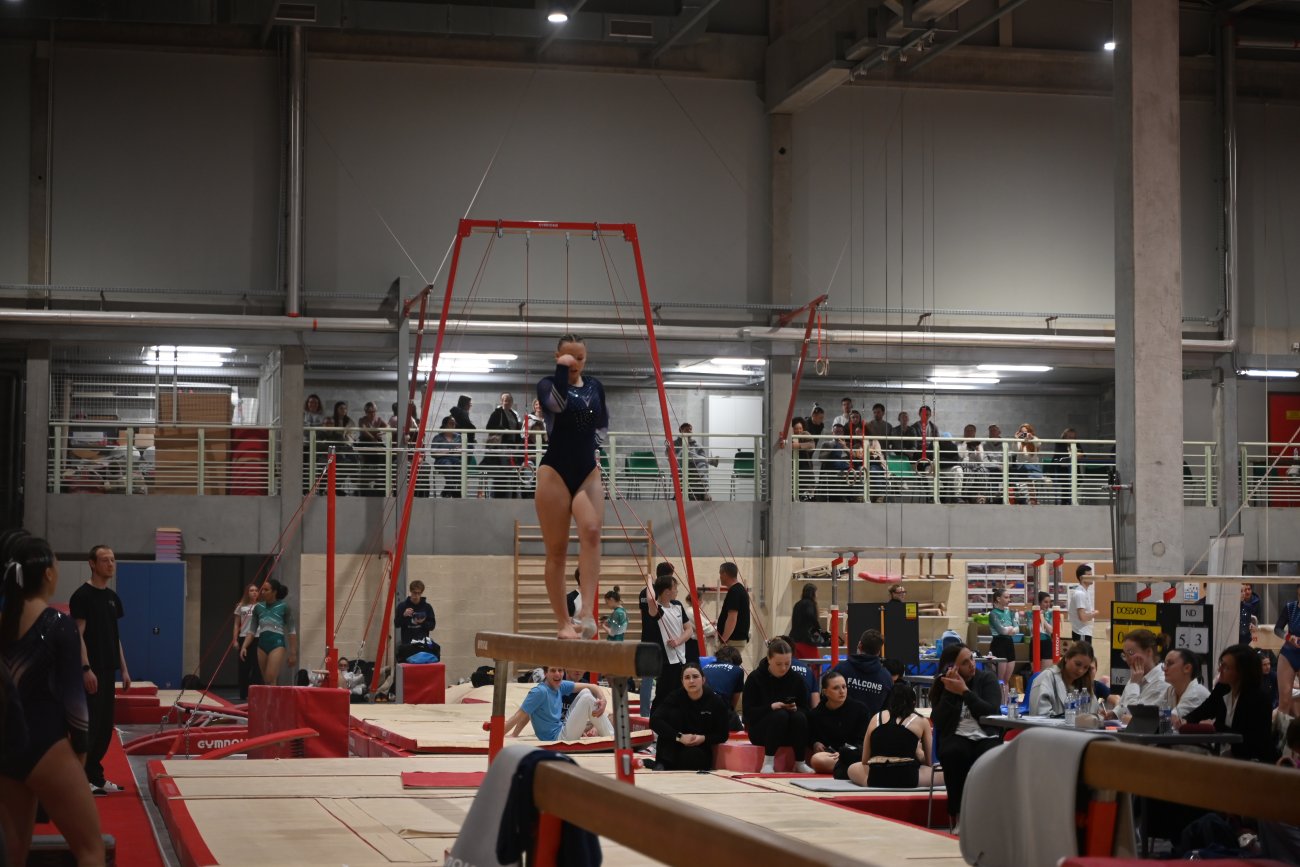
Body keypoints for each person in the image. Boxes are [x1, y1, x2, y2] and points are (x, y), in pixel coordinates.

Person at [1, 536, 106, 867]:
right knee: (90, 850)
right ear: (48, 573)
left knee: (13, 856)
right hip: (48, 748)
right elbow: (76, 702)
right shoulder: (58, 625)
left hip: (6, 750)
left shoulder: (3, 624)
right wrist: (80, 755)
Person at [535, 335, 608, 640]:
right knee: (558, 550)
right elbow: (558, 403)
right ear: (557, 357)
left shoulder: (595, 386)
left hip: (587, 471)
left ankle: (587, 613)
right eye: (568, 357)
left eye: (580, 358)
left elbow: (602, 422)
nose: (575, 363)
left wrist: (597, 449)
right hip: (554, 471)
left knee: (591, 531)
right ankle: (563, 622)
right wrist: (561, 371)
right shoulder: (546, 385)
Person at [69, 544, 130, 796]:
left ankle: (95, 776)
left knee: (105, 727)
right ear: (92, 564)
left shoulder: (112, 598)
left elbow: (115, 637)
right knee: (91, 726)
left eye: (113, 559)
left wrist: (124, 670)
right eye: (105, 560)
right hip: (91, 672)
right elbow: (78, 635)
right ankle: (80, 778)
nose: (110, 564)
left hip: (108, 671)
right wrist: (85, 668)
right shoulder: (82, 596)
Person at [929, 642, 1003, 824]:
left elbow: (990, 712)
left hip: (986, 735)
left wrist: (964, 691)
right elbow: (938, 720)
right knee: (953, 754)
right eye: (965, 662)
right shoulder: (943, 684)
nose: (972, 664)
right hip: (957, 735)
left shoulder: (987, 679)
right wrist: (949, 692)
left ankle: (987, 817)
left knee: (990, 756)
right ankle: (958, 815)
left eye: (971, 658)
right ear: (952, 668)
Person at [1178, 643, 1278, 763]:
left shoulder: (1259, 699)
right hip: (1228, 755)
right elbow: (1204, 710)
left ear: (1242, 672)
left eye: (1226, 667)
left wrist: (1215, 726)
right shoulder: (1223, 688)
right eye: (1221, 665)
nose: (1219, 670)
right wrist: (1185, 720)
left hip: (1254, 762)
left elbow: (1250, 740)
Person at [848, 682, 943, 790]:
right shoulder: (921, 720)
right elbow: (930, 762)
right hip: (908, 777)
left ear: (890, 701)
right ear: (914, 702)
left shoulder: (876, 717)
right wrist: (918, 751)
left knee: (852, 768)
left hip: (876, 776)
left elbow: (865, 760)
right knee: (944, 773)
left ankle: (874, 782)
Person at [742, 638, 814, 774]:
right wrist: (770, 707)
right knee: (780, 715)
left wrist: (796, 709)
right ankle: (768, 762)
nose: (783, 668)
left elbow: (806, 710)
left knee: (799, 717)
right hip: (761, 732)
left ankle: (800, 762)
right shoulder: (755, 678)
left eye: (787, 663)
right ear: (769, 659)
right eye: (778, 664)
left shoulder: (797, 679)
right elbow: (747, 713)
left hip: (789, 733)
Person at [648, 664, 730, 770]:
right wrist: (680, 737)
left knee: (693, 756)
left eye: (695, 676)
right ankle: (662, 763)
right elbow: (654, 721)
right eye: (687, 678)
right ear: (682, 682)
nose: (691, 681)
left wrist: (703, 738)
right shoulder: (674, 697)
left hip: (699, 749)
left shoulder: (715, 701)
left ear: (703, 680)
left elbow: (723, 734)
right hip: (673, 746)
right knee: (671, 716)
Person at [504, 666, 613, 741]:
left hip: (563, 728)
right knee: (587, 698)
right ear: (545, 673)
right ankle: (612, 736)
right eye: (553, 670)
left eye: (560, 670)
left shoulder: (560, 685)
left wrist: (603, 699)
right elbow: (521, 714)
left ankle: (609, 732)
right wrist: (504, 735)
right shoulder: (540, 692)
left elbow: (593, 686)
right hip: (557, 738)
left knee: (586, 692)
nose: (557, 674)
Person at [807, 671, 870, 777]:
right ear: (825, 692)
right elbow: (810, 736)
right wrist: (815, 743)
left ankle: (848, 769)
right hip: (832, 756)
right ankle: (849, 770)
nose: (842, 691)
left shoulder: (860, 710)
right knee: (816, 760)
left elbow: (863, 742)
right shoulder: (816, 714)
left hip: (854, 753)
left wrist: (844, 752)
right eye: (836, 688)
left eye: (844, 687)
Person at [646, 572, 692, 713]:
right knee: (663, 695)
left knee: (680, 695)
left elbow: (689, 630)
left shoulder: (677, 606)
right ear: (667, 592)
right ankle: (656, 720)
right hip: (667, 661)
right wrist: (649, 579)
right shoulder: (657, 609)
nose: (677, 591)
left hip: (681, 658)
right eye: (675, 588)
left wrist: (678, 641)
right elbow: (650, 598)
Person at [240, 578, 297, 686]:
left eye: (266, 590)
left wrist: (293, 653)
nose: (262, 592)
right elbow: (252, 631)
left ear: (274, 592)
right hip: (262, 645)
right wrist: (244, 646)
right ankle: (271, 697)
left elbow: (292, 631)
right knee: (266, 680)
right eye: (262, 589)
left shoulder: (284, 607)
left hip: (277, 644)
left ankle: (274, 696)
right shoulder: (258, 607)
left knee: (271, 678)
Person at [832, 628, 894, 718]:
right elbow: (887, 710)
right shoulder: (886, 678)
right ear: (878, 652)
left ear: (860, 645)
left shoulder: (841, 669)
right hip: (872, 725)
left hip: (841, 723)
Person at [1028, 641, 1096, 716]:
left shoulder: (1085, 685)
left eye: (1085, 667)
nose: (1081, 671)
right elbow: (1041, 716)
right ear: (1067, 658)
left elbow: (1093, 712)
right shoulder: (1046, 678)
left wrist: (1100, 716)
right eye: (1077, 664)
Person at [1115, 628, 1168, 721]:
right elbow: (1123, 706)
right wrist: (1114, 713)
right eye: (1125, 655)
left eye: (1131, 653)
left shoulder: (1161, 681)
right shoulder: (1137, 675)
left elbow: (1137, 717)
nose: (1127, 659)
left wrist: (1134, 684)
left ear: (1148, 652)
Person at [483, 392, 523, 498]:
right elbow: (489, 427)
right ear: (501, 401)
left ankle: (510, 496)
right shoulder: (496, 413)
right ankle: (497, 496)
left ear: (512, 402)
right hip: (501, 446)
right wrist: (503, 430)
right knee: (502, 472)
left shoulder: (514, 414)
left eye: (509, 400)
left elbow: (517, 431)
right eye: (505, 400)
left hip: (512, 447)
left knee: (512, 472)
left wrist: (518, 444)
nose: (507, 402)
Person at [1162, 647, 1211, 723]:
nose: (1165, 669)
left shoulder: (1196, 692)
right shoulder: (1170, 690)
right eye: (1164, 664)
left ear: (1187, 668)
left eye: (1170, 664)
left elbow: (1169, 719)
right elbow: (1156, 714)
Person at [702, 645, 744, 729]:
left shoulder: (704, 667)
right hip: (718, 708)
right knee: (739, 729)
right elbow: (734, 701)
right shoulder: (738, 670)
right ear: (736, 661)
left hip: (698, 707)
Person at [232, 583, 262, 702]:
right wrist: (235, 640)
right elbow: (236, 624)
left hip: (257, 637)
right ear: (247, 593)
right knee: (244, 667)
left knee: (257, 666)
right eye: (251, 590)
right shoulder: (241, 606)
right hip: (244, 637)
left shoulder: (261, 606)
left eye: (256, 590)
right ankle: (243, 693)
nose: (254, 592)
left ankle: (256, 692)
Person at [673, 422, 717, 501]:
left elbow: (703, 457)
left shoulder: (697, 445)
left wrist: (700, 459)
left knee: (702, 464)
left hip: (695, 468)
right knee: (685, 452)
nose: (689, 431)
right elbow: (672, 457)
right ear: (681, 431)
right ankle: (709, 460)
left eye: (690, 429)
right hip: (681, 466)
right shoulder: (674, 443)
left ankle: (705, 491)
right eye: (686, 429)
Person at [1274, 583, 1300, 716]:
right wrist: (1289, 637)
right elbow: (1277, 629)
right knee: (1284, 701)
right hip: (1289, 654)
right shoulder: (1290, 607)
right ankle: (1281, 729)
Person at [988, 586, 1019, 684]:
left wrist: (1009, 629)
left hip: (1009, 644)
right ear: (998, 599)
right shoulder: (993, 614)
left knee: (1006, 680)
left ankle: (1006, 695)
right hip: (998, 644)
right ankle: (998, 694)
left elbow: (1017, 629)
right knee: (1000, 680)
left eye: (1009, 597)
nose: (1009, 600)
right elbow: (1002, 631)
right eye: (1006, 597)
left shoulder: (1010, 612)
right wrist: (1010, 629)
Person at [716, 562, 749, 650]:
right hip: (734, 639)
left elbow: (732, 618)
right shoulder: (738, 589)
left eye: (720, 574)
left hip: (733, 640)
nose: (720, 577)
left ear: (725, 574)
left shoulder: (735, 591)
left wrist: (724, 639)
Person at [427, 415, 461, 497]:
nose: (453, 425)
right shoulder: (438, 437)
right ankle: (453, 491)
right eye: (451, 423)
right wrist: (449, 451)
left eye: (454, 423)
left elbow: (461, 451)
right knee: (447, 465)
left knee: (460, 465)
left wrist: (444, 451)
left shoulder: (458, 437)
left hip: (455, 460)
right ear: (445, 425)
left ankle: (447, 491)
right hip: (441, 460)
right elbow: (433, 453)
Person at [394, 581, 436, 646]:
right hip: (407, 644)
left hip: (422, 644)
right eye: (414, 592)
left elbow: (432, 626)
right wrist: (404, 616)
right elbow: (397, 624)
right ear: (411, 591)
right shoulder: (402, 606)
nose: (416, 595)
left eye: (419, 593)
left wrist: (423, 622)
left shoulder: (427, 607)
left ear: (421, 593)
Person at [789, 582, 822, 660]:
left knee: (798, 664)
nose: (817, 595)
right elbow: (811, 617)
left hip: (794, 640)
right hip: (807, 641)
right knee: (815, 664)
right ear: (813, 593)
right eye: (816, 593)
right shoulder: (810, 604)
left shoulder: (797, 604)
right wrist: (818, 629)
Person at [1013, 422, 1044, 504]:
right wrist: (1016, 439)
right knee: (1027, 467)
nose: (1024, 434)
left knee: (1029, 478)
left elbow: (1039, 443)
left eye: (1026, 432)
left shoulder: (1034, 439)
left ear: (1030, 432)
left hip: (1033, 467)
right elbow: (1015, 450)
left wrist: (1032, 438)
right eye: (1022, 432)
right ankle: (1041, 477)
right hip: (1021, 467)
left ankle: (1031, 500)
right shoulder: (1019, 441)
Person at [1068, 563, 1097, 643]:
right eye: (1089, 575)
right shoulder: (1080, 594)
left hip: (1085, 632)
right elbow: (1083, 617)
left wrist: (1091, 613)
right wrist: (1094, 614)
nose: (1092, 577)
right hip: (1081, 633)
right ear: (1081, 578)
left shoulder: (1085, 592)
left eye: (1092, 575)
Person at [1035, 591, 1055, 663]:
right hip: (1035, 643)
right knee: (1036, 669)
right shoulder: (1032, 613)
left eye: (1049, 602)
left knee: (1046, 669)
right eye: (1045, 602)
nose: (1048, 604)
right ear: (1039, 602)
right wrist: (1037, 616)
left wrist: (1042, 618)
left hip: (1047, 642)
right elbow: (1032, 630)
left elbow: (1051, 630)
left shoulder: (1050, 613)